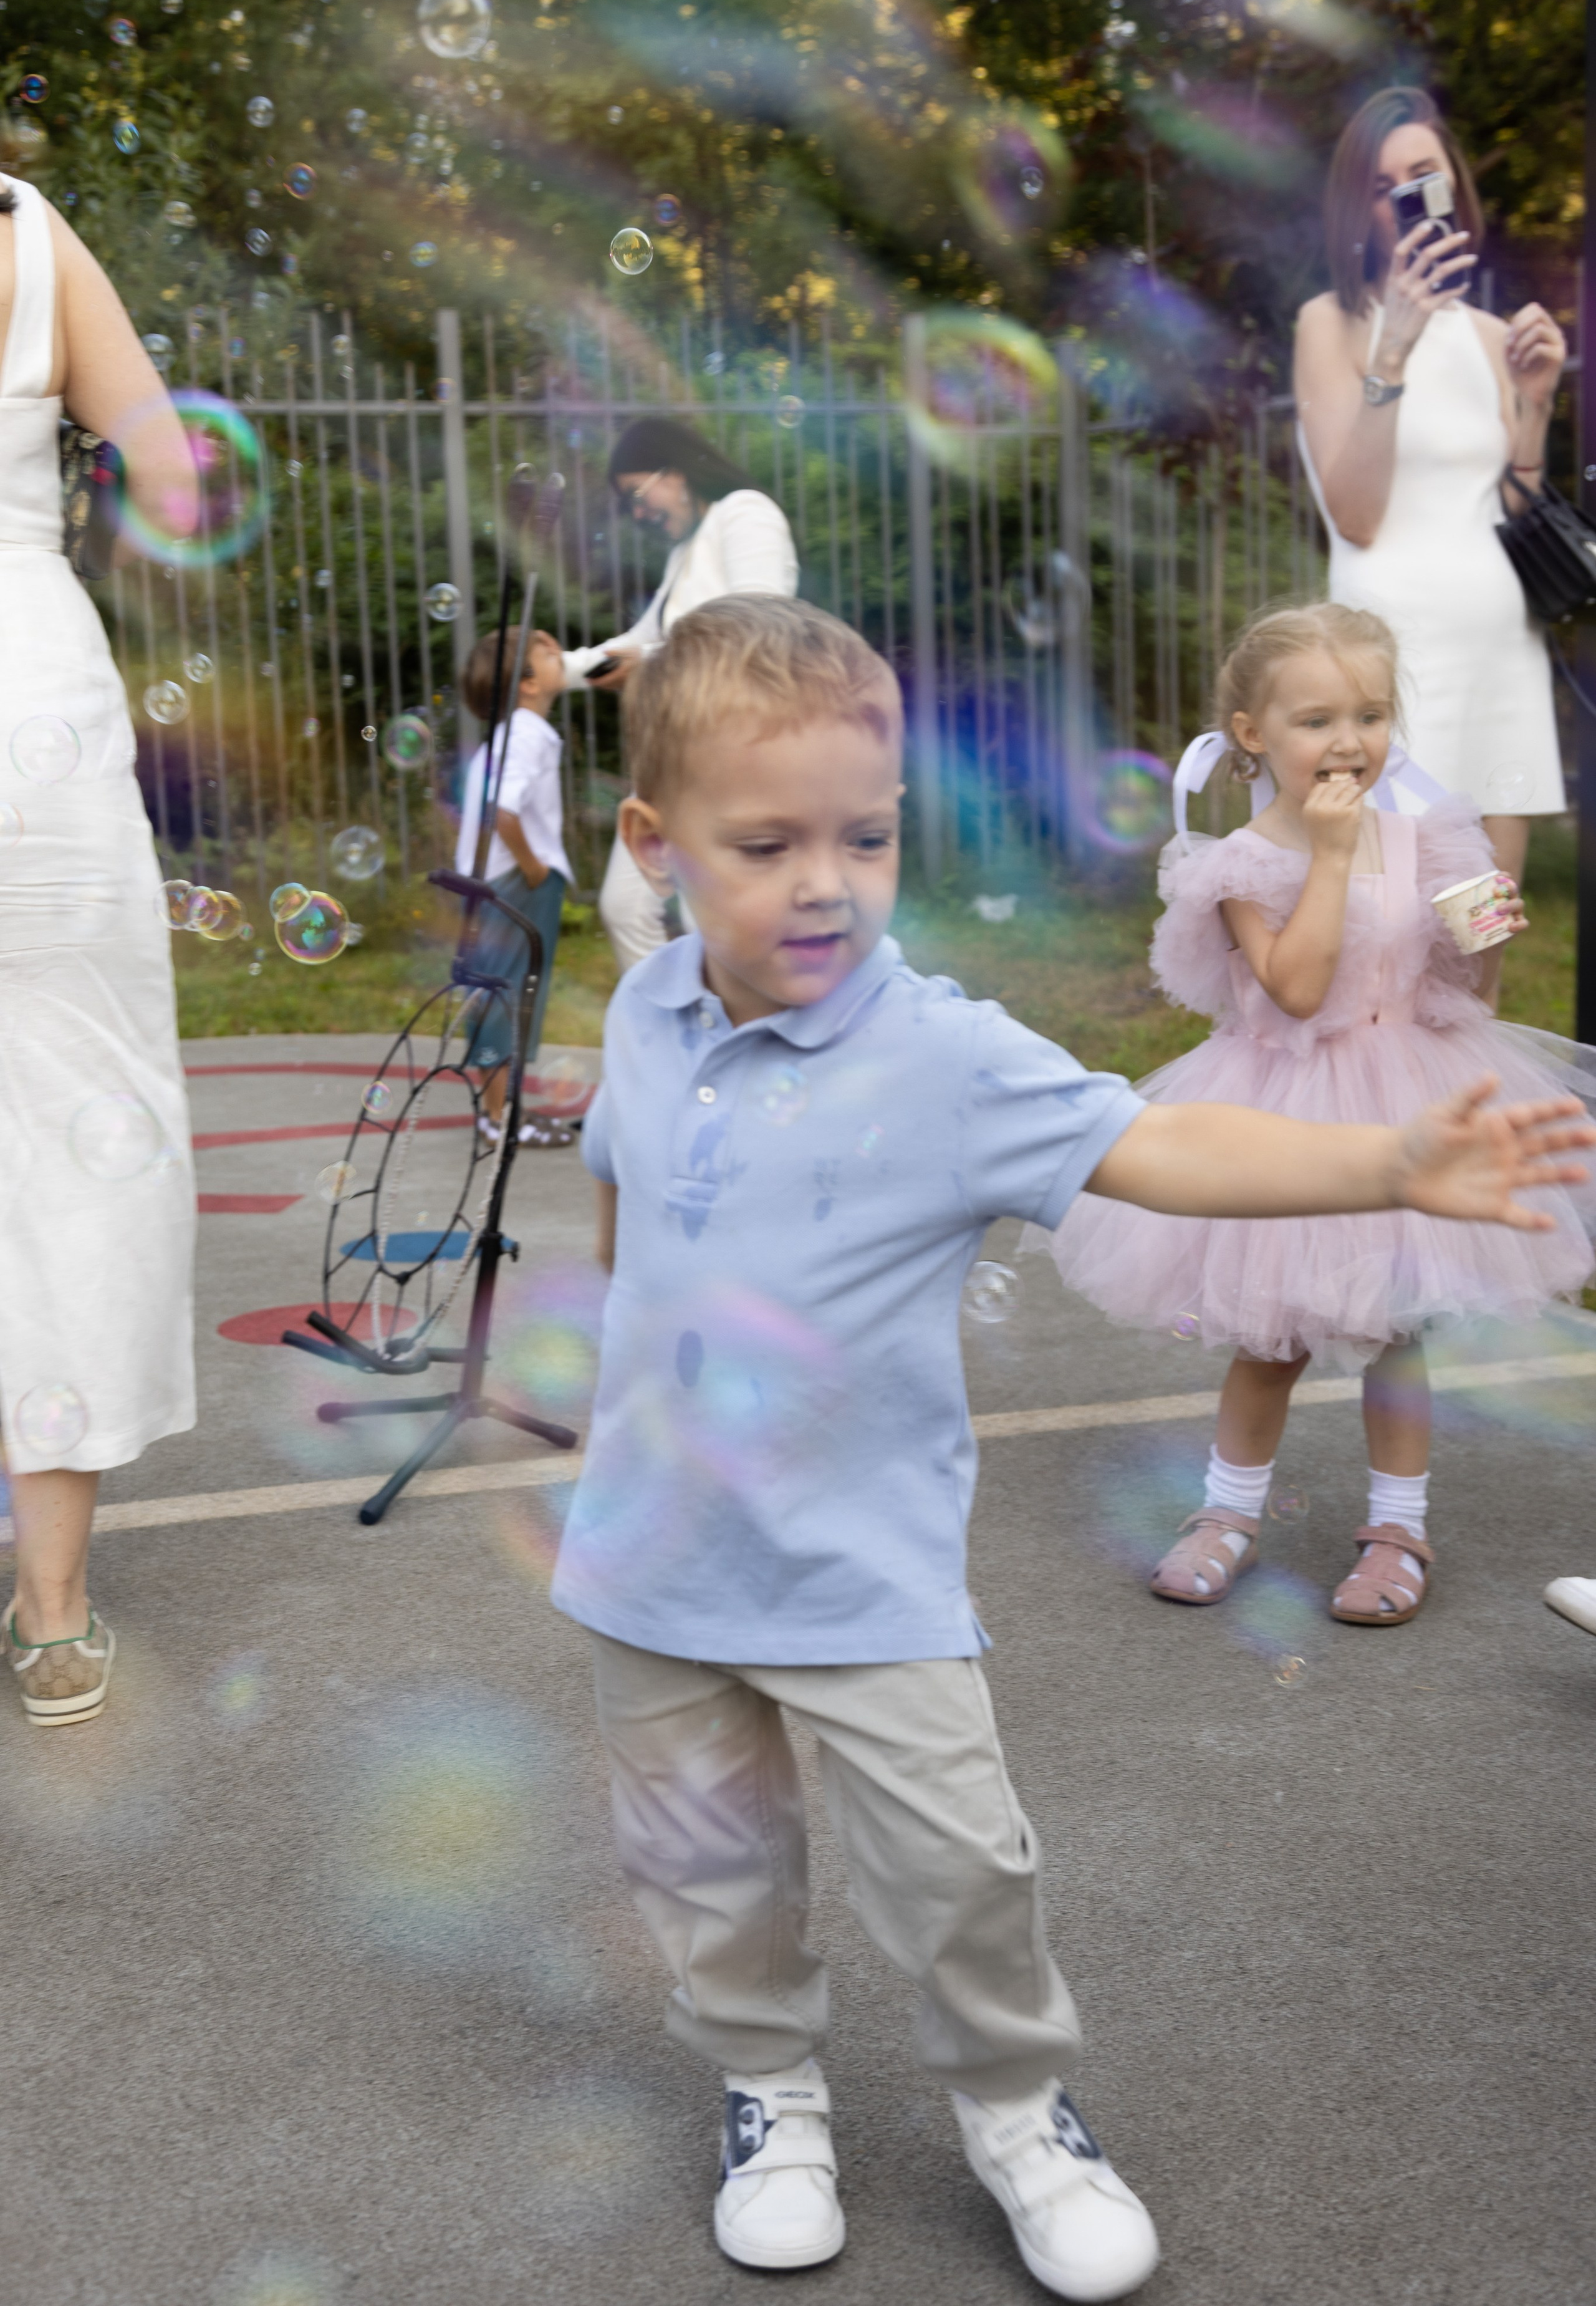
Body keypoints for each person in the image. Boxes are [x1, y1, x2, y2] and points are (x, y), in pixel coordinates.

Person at [546, 593, 1590, 2297]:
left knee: (963, 1873)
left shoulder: (937, 1050)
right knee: (708, 1867)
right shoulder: (651, 1014)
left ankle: (1021, 2114)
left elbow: (1164, 1151)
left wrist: (1386, 1168)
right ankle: (768, 2092)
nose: (826, 880)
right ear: (656, 845)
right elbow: (625, 1207)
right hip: (654, 1569)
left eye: (865, 838)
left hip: (865, 1578)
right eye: (768, 842)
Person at [1037, 602, 1595, 1629]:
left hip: (1407, 1091)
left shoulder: (1426, 837)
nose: (1349, 743)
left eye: (1372, 716)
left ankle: (1397, 1530)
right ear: (1253, 735)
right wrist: (1332, 856)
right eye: (1317, 721)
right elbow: (1295, 990)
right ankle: (1227, 1514)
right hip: (1285, 1106)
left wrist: (1483, 934)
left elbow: (1462, 992)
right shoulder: (1240, 864)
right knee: (1271, 1340)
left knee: (1395, 1332)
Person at [0, 175, 199, 1725]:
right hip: (34, 713)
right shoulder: (25, 226)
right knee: (71, 1145)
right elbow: (175, 479)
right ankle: (53, 1609)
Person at [1294, 85, 1567, 900]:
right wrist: (1393, 357)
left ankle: (1472, 1026)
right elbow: (1355, 516)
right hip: (1392, 670)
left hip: (1499, 662)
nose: (1407, 198)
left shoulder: (1491, 337)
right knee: (1391, 936)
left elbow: (1516, 509)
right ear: (1362, 212)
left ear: (1455, 186)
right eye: (1383, 188)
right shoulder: (1328, 324)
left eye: (1424, 174)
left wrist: (1539, 399)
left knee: (1481, 940)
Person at [562, 415, 797, 972]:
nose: (639, 515)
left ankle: (730, 1043)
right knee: (624, 906)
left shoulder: (745, 514)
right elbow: (641, 641)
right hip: (678, 758)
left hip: (733, 754)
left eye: (638, 496)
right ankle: (672, 1036)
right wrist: (550, 670)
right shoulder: (684, 554)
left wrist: (651, 661)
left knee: (706, 917)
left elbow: (761, 630)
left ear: (676, 471)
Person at [451, 625, 575, 1149]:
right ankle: (501, 1118)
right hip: (515, 883)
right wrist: (533, 868)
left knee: (499, 990)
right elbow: (503, 812)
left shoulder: (508, 735)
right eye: (547, 652)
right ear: (526, 684)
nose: (559, 654)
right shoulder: (528, 733)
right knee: (514, 994)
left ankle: (499, 1110)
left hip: (488, 882)